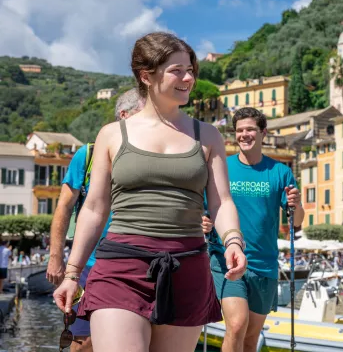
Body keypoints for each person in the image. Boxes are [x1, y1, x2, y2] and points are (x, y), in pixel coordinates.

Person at [53, 32, 247, 352]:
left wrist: (233, 241)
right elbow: (94, 209)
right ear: (146, 76)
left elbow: (222, 201)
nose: (189, 78)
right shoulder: (112, 135)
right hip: (121, 267)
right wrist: (72, 273)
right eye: (177, 70)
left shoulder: (208, 136)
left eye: (190, 69)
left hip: (187, 268)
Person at [46, 88, 145, 352]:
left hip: (131, 264)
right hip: (88, 265)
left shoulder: (149, 160)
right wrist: (56, 256)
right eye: (142, 115)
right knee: (83, 342)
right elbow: (64, 207)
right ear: (123, 116)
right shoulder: (88, 155)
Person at [206, 107, 304, 352]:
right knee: (237, 325)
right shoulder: (221, 167)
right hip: (225, 259)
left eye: (250, 129)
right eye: (239, 130)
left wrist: (297, 204)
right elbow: (206, 211)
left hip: (265, 264)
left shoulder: (280, 172)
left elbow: (297, 221)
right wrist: (203, 222)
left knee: (251, 339)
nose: (244, 135)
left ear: (263, 133)